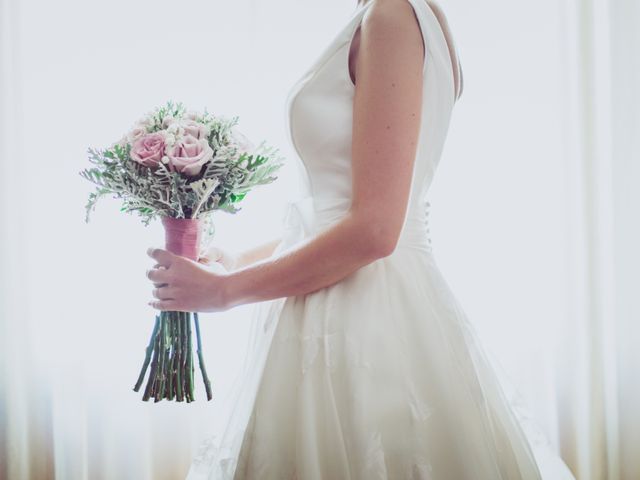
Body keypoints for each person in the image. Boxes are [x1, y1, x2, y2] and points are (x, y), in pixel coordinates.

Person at [146, 0, 576, 478]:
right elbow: (342, 215)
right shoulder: (396, 13)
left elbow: (374, 230)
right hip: (355, 294)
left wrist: (225, 292)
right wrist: (235, 261)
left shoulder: (391, 15)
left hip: (362, 313)